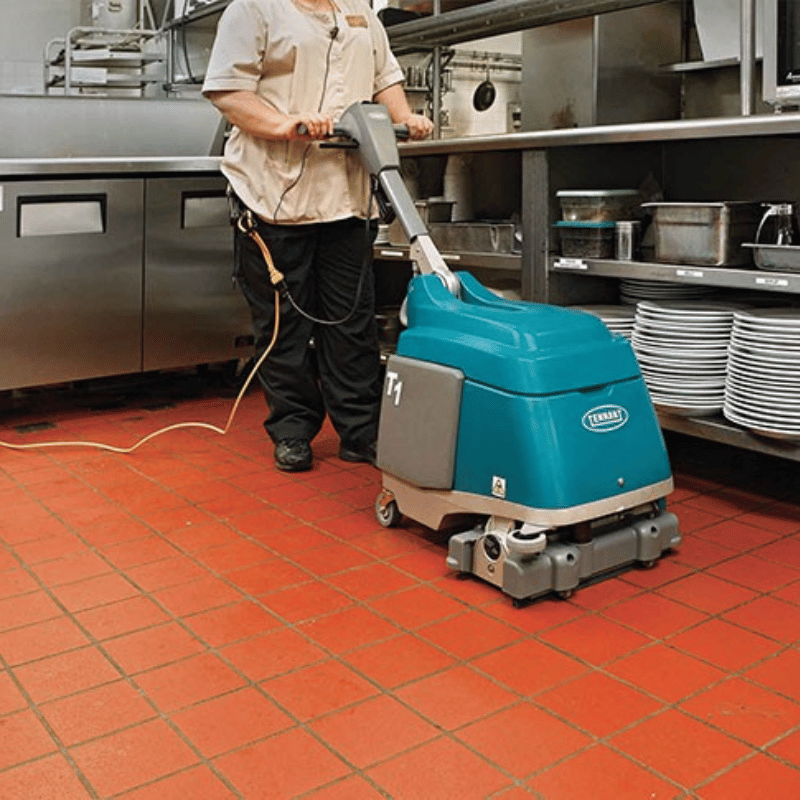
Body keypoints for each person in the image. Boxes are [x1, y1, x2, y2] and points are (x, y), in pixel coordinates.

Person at [202, 0, 433, 473]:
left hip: (345, 196)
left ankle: (360, 431)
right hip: (274, 194)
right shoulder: (253, 10)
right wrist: (283, 124)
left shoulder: (359, 12)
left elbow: (384, 76)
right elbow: (228, 91)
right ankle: (292, 428)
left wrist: (405, 118)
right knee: (285, 327)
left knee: (351, 323)